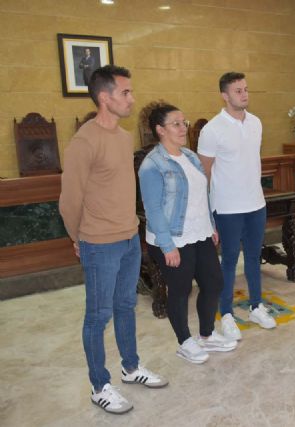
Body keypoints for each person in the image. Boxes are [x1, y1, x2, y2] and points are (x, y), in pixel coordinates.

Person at [59, 65, 168, 415]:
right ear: (105, 98)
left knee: (126, 307)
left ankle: (131, 367)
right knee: (98, 314)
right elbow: (69, 199)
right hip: (98, 242)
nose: (132, 98)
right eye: (125, 92)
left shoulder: (123, 138)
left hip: (127, 238)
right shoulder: (84, 142)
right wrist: (77, 237)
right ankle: (99, 384)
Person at [138, 104, 238, 364]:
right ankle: (184, 342)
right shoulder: (152, 165)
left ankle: (206, 335)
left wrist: (211, 224)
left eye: (184, 122)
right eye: (176, 124)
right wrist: (167, 245)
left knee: (214, 282)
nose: (184, 128)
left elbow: (202, 195)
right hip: (172, 238)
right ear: (160, 130)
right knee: (180, 290)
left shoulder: (191, 157)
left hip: (201, 232)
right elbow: (153, 209)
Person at [198, 71, 276, 340]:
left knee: (254, 257)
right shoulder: (211, 130)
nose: (244, 94)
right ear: (224, 95)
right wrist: (207, 215)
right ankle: (227, 314)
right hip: (228, 208)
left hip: (256, 203)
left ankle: (256, 306)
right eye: (238, 91)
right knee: (229, 260)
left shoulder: (256, 123)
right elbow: (203, 176)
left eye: (245, 89)